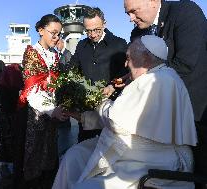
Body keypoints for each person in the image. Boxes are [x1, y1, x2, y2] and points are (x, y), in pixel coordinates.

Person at [53, 35, 198, 189]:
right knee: (73, 156)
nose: (125, 63)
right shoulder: (154, 76)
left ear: (145, 59)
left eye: (128, 58)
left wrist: (98, 101)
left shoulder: (157, 80)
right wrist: (81, 116)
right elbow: (126, 117)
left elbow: (117, 123)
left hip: (148, 159)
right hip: (132, 149)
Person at [124, 0, 207, 185]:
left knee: (199, 174)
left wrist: (139, 84)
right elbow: (139, 68)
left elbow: (185, 64)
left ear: (153, 1)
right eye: (127, 13)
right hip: (161, 121)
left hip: (195, 113)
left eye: (133, 11)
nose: (131, 18)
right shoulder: (137, 32)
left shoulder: (185, 13)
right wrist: (125, 79)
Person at [18, 14, 67, 189]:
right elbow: (32, 90)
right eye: (53, 33)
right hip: (37, 113)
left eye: (59, 34)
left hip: (52, 112)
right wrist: (51, 109)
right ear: (40, 30)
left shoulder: (54, 54)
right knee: (35, 153)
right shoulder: (32, 53)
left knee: (50, 153)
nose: (56, 37)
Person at [68, 7, 128, 142]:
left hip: (111, 108)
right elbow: (72, 69)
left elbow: (126, 71)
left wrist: (114, 85)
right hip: (86, 109)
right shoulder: (81, 45)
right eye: (88, 31)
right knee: (84, 146)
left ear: (104, 24)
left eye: (97, 30)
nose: (93, 34)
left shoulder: (119, 43)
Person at [0, 64, 24, 180]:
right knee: (12, 142)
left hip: (3, 117)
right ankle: (12, 167)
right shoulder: (16, 86)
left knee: (4, 143)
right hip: (12, 118)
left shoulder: (3, 84)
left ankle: (4, 166)